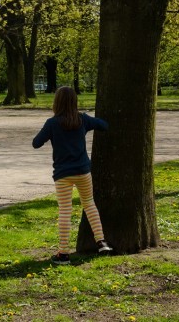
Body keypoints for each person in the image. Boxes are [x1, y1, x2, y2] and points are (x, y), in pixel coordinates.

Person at [32, 86, 112, 265]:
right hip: (83, 171)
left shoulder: (52, 123)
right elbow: (104, 125)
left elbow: (36, 143)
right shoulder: (83, 120)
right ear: (74, 102)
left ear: (56, 102)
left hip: (63, 174)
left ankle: (63, 253)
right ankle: (101, 242)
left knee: (65, 211)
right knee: (89, 204)